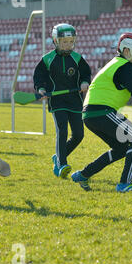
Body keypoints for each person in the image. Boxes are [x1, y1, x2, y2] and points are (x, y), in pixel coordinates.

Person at [71, 32, 132, 192]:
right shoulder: (125, 66)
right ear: (127, 51)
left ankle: (83, 174)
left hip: (90, 114)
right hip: (101, 111)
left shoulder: (116, 63)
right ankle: (124, 183)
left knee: (121, 148)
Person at [33, 23, 91, 178]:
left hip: (75, 100)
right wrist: (41, 89)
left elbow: (86, 74)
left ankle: (58, 156)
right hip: (57, 101)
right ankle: (62, 164)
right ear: (55, 41)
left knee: (78, 135)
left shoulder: (77, 58)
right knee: (62, 131)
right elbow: (39, 77)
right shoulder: (47, 59)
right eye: (64, 42)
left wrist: (85, 82)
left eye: (71, 42)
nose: (68, 45)